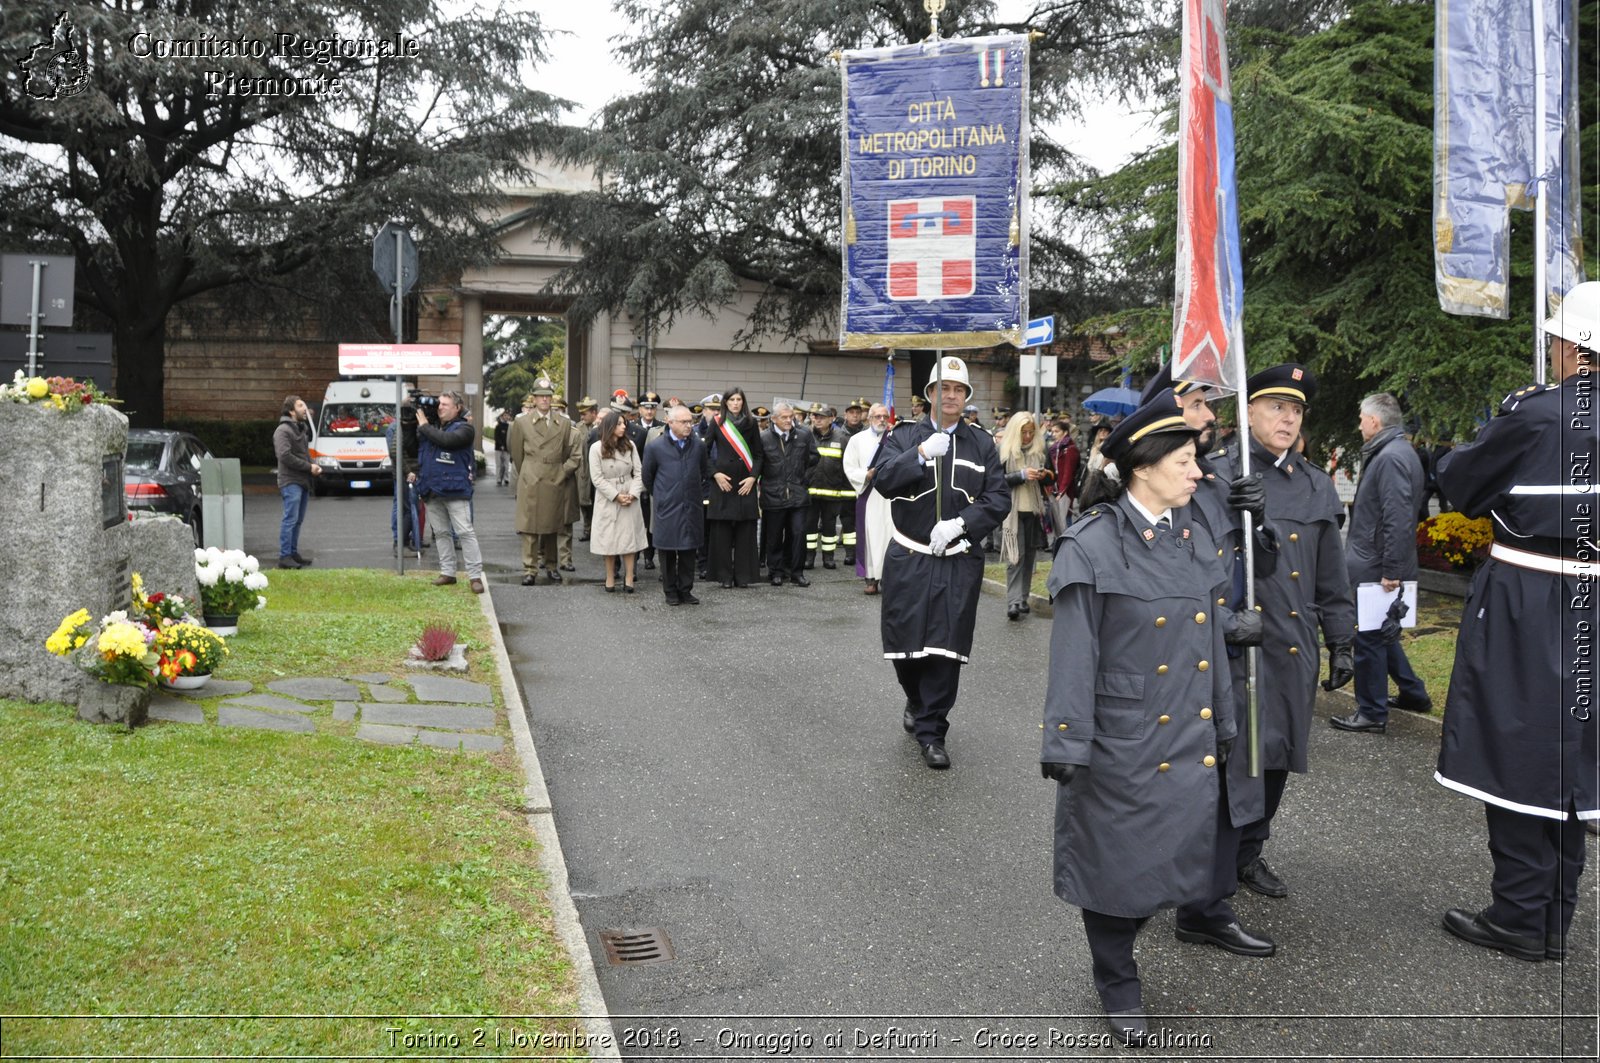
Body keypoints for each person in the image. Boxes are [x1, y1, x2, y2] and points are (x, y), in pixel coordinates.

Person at [1040, 393, 1238, 1047]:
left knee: (1168, 862)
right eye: (1185, 459)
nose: (1198, 472)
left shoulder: (1194, 536)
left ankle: (1127, 948)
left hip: (1186, 731)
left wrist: (1226, 721)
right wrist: (1066, 739)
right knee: (1113, 865)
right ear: (1145, 465)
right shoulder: (1092, 544)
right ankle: (1117, 978)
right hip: (1122, 740)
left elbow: (1207, 643)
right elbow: (1074, 652)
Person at [1435, 279, 1600, 964]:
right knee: (1571, 764)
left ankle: (1520, 916)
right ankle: (1552, 914)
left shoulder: (1538, 416)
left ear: (1570, 347)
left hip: (1530, 597)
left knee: (1516, 749)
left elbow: (1458, 483)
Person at [1232, 364, 1356, 899]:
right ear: (1250, 412)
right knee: (1233, 750)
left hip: (1294, 640)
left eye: (1296, 409)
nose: (1288, 417)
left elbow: (1332, 573)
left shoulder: (1315, 484)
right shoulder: (1219, 474)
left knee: (1277, 750)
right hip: (1235, 640)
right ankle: (1212, 852)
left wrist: (1342, 640)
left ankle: (1250, 851)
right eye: (1276, 406)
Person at [871, 357, 1009, 769]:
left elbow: (997, 497)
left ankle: (933, 730)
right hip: (909, 556)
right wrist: (918, 455)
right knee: (905, 646)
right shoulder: (903, 435)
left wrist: (961, 525)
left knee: (946, 649)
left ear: (966, 397)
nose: (951, 396)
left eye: (958, 390)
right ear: (930, 393)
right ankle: (915, 699)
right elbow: (882, 481)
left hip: (957, 557)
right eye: (943, 388)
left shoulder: (982, 442)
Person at [1330, 392, 1431, 733]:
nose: (1358, 424)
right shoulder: (1399, 451)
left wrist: (1392, 570)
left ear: (1374, 421)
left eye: (1361, 418)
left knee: (1369, 639)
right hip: (1379, 561)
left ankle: (1371, 712)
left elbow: (1398, 517)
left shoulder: (1389, 457)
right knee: (1383, 636)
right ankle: (1414, 693)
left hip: (1377, 566)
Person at [510, 377, 581, 586]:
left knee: (552, 526)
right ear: (534, 398)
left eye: (548, 396)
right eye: (540, 396)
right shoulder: (522, 422)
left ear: (552, 399)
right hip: (531, 477)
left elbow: (570, 453)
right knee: (529, 527)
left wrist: (562, 472)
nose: (544, 400)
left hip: (554, 478)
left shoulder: (564, 423)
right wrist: (528, 472)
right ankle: (529, 569)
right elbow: (516, 453)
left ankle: (551, 566)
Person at [413, 390, 485, 594]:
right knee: (442, 533)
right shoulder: (431, 428)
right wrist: (412, 423)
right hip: (431, 489)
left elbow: (447, 441)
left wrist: (425, 426)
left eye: (445, 404)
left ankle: (474, 576)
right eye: (439, 404)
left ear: (457, 408)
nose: (440, 407)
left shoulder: (465, 429)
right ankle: (448, 573)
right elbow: (413, 445)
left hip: (455, 490)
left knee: (465, 532)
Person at [641, 403, 710, 605]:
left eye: (691, 421)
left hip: (691, 506)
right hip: (667, 507)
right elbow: (648, 477)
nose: (689, 425)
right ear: (670, 423)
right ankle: (670, 591)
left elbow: (703, 472)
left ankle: (686, 590)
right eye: (684, 422)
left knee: (689, 550)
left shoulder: (698, 445)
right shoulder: (655, 447)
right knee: (668, 551)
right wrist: (663, 495)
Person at [704, 386, 763, 589]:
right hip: (723, 483)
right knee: (721, 534)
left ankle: (743, 576)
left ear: (743, 402)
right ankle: (724, 576)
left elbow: (758, 454)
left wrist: (753, 477)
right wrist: (715, 474)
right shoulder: (718, 422)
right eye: (732, 400)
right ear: (726, 402)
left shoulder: (751, 423)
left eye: (739, 399)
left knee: (745, 533)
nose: (736, 403)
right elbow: (704, 452)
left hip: (744, 484)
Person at [998, 412, 1053, 620]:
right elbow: (996, 481)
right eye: (1024, 433)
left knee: (1030, 555)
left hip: (1034, 510)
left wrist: (1043, 475)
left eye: (1031, 432)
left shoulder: (1040, 451)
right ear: (1015, 432)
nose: (1028, 436)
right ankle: (1012, 601)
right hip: (1011, 511)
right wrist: (1021, 475)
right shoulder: (1004, 451)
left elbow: (1050, 477)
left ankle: (1022, 598)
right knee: (1015, 556)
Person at [588, 409, 648, 592]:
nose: (624, 427)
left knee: (629, 539)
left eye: (624, 424)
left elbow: (639, 472)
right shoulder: (596, 448)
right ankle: (610, 577)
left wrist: (633, 493)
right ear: (610, 426)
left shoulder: (630, 446)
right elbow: (596, 478)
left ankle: (629, 578)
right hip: (608, 497)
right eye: (619, 424)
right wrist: (615, 495)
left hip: (629, 492)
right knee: (609, 539)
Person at [760, 402, 818, 586]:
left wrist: (803, 478)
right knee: (774, 536)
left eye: (790, 416)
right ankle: (776, 572)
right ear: (774, 419)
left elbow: (814, 458)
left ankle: (796, 572)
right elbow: (758, 463)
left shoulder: (804, 435)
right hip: (773, 495)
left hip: (798, 494)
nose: (788, 420)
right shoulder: (764, 438)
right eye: (784, 417)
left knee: (798, 533)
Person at [843, 403, 893, 594]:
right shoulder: (857, 440)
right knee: (870, 536)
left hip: (890, 496)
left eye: (885, 417)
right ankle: (871, 579)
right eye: (878, 416)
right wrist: (866, 475)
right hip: (868, 494)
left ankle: (889, 579)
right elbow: (849, 467)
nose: (882, 420)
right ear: (870, 418)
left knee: (890, 536)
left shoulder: (894, 439)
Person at [272, 395, 320, 568]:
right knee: (290, 519)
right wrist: (309, 467)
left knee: (297, 520)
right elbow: (284, 456)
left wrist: (313, 465)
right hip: (290, 481)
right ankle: (284, 557)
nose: (305, 409)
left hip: (302, 480)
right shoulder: (283, 431)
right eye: (301, 406)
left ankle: (292, 553)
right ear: (291, 411)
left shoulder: (301, 428)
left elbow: (304, 453)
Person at [806, 404, 854, 570]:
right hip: (810, 492)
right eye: (815, 416)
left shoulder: (842, 438)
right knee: (810, 527)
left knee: (829, 527)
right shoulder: (807, 435)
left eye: (821, 417)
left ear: (831, 419)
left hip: (833, 492)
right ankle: (809, 557)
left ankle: (828, 558)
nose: (817, 420)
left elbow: (848, 466)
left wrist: (846, 491)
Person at [1046, 417, 1080, 533]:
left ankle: (1067, 545)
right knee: (1058, 519)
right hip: (1056, 488)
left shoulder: (1070, 449)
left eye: (1057, 431)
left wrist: (1062, 491)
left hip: (1065, 490)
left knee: (1065, 518)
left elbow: (1068, 473)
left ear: (1065, 432)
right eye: (1052, 431)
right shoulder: (1055, 448)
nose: (1053, 434)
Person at [493, 410, 512, 487]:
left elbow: (510, 437)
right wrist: (501, 445)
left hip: (507, 448)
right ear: (502, 417)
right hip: (498, 448)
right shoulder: (498, 426)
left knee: (506, 465)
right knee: (499, 465)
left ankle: (506, 478)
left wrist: (508, 446)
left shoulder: (509, 427)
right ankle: (498, 479)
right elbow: (496, 437)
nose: (506, 417)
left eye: (507, 416)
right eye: (505, 416)